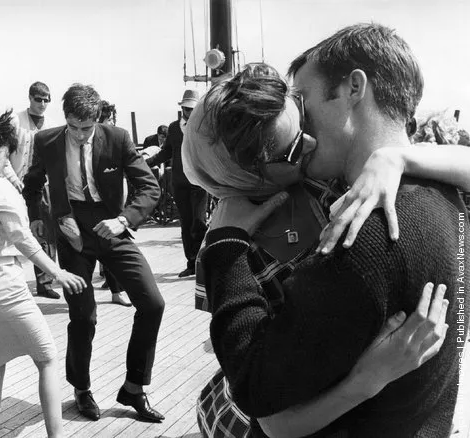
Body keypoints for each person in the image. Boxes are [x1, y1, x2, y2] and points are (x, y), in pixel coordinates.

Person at [191, 24, 470, 437]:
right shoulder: (445, 197)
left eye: (302, 101)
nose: (299, 125)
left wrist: (225, 244)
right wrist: (401, 158)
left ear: (354, 89)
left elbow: (262, 400)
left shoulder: (362, 235)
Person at [22, 83, 165, 423]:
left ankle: (133, 387)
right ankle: (81, 389)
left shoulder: (117, 138)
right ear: (65, 118)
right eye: (72, 126)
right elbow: (32, 181)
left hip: (112, 226)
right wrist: (37, 218)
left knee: (153, 303)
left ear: (98, 119)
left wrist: (124, 220)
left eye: (86, 128)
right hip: (72, 233)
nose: (79, 134)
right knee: (83, 316)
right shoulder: (46, 141)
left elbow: (149, 187)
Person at [0, 110, 86, 438]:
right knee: (47, 357)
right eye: (6, 155)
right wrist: (57, 271)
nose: (7, 163)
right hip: (1, 283)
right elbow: (22, 237)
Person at [146, 90, 208, 277]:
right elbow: (166, 152)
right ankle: (191, 263)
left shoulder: (204, 126)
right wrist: (145, 163)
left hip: (199, 182)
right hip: (180, 183)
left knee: (199, 222)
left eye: (192, 108)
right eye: (186, 108)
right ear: (182, 108)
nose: (189, 112)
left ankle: (202, 262)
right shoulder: (173, 128)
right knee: (186, 223)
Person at [8, 81, 60, 299]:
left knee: (45, 232)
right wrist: (11, 178)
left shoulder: (52, 124)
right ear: (30, 98)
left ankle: (45, 282)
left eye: (46, 100)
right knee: (12, 232)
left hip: (40, 186)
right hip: (15, 184)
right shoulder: (15, 121)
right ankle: (10, 281)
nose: (42, 104)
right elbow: (3, 153)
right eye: (38, 99)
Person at [95, 100, 133, 307]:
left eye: (110, 119)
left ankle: (117, 288)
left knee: (114, 243)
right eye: (106, 119)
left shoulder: (117, 138)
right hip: (101, 202)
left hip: (118, 195)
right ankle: (116, 290)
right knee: (109, 245)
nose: (109, 123)